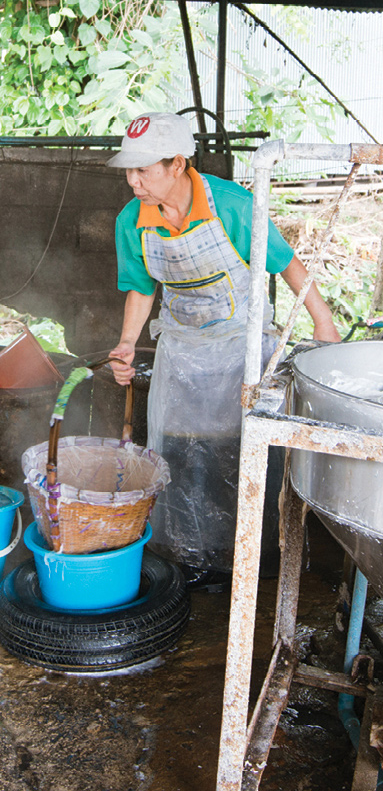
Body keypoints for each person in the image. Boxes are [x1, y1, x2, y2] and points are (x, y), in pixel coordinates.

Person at [106, 112, 340, 576]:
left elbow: (285, 262)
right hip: (182, 353)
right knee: (179, 454)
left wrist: (323, 320)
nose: (133, 181)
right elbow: (140, 286)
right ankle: (187, 556)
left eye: (143, 169)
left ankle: (251, 558)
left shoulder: (232, 205)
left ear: (177, 164)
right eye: (128, 170)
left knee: (240, 453)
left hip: (241, 350)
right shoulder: (131, 220)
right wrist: (127, 342)